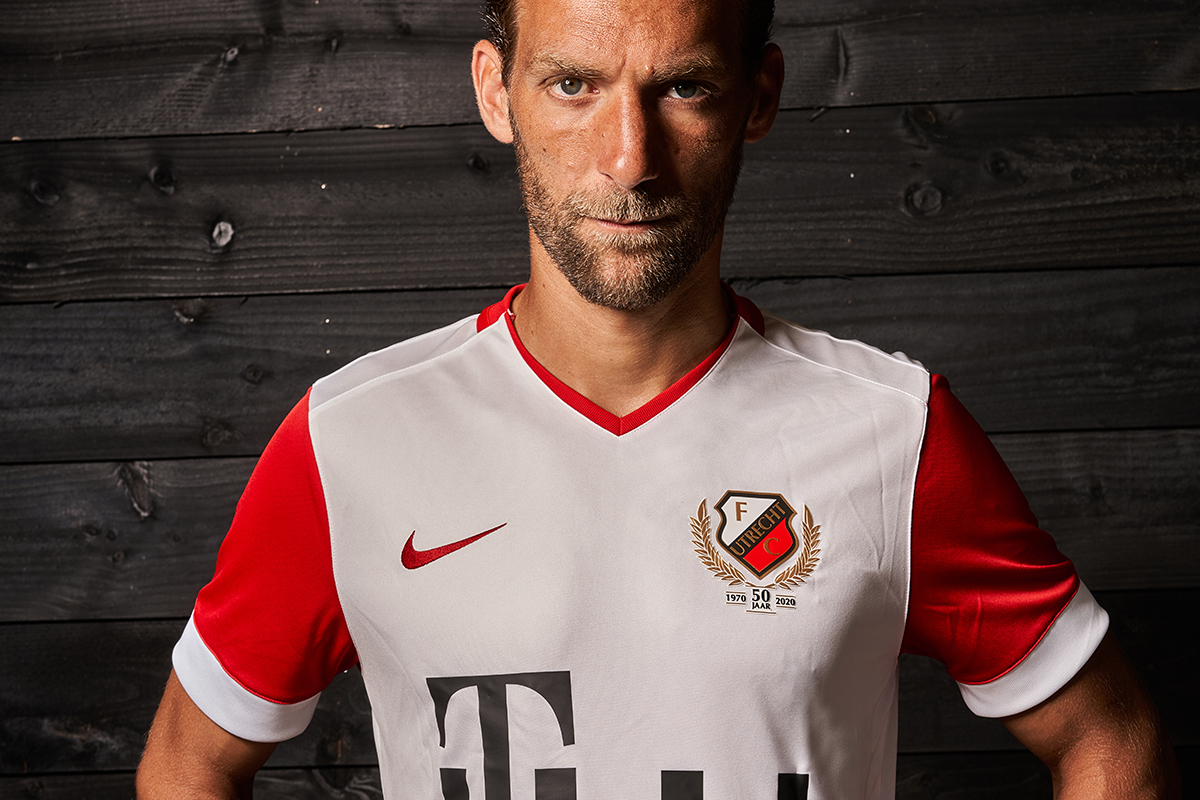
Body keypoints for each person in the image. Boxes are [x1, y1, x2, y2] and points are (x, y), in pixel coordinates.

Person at [137, 0, 1180, 797]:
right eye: (573, 85)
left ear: (758, 95)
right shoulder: (350, 441)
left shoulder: (893, 434)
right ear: (496, 91)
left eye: (682, 87)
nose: (630, 159)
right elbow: (188, 763)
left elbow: (1113, 740)